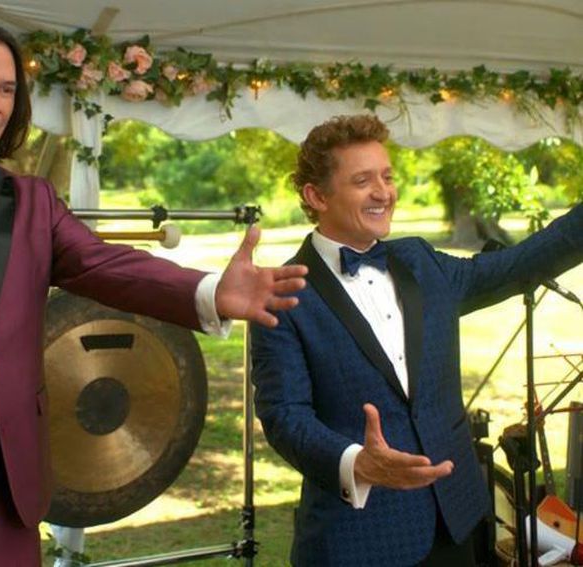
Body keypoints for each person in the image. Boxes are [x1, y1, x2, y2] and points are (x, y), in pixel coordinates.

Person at [0, 19, 307, 566]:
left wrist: (210, 291)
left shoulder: (33, 201)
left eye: (7, 89)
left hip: (8, 503)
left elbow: (108, 264)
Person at [250, 114, 583, 566]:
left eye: (387, 177)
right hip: (360, 540)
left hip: (458, 522)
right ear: (316, 196)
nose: (383, 192)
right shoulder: (282, 296)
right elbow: (285, 416)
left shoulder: (421, 262)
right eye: (362, 181)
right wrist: (355, 462)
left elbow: (518, 265)